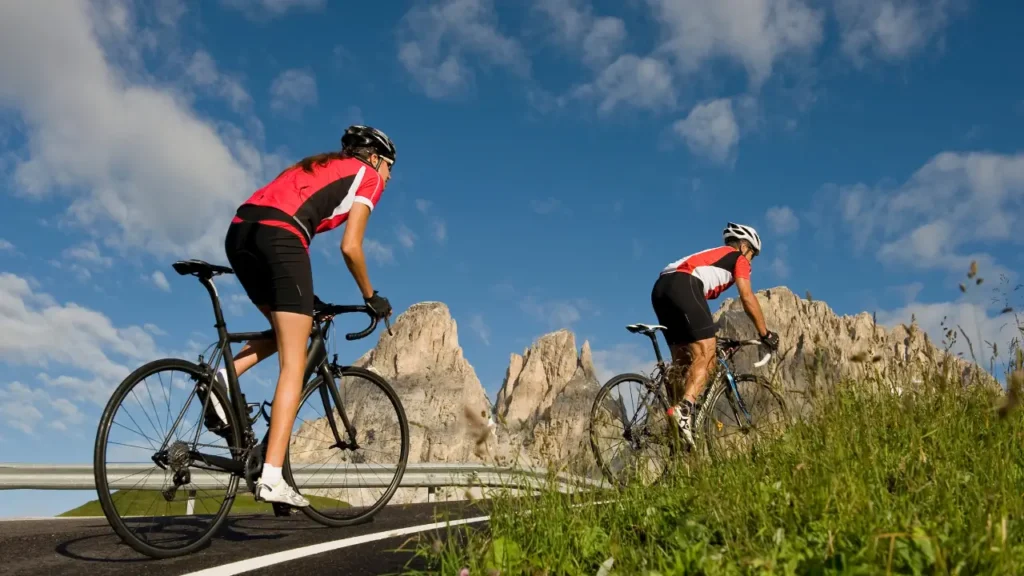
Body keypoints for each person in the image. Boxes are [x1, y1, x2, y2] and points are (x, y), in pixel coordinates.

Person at [201, 125, 397, 507]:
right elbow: (351, 246)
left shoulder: (317, 166)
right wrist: (371, 297)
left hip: (240, 234)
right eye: (390, 166)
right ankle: (272, 476)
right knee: (294, 364)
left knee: (288, 326)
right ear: (374, 157)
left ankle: (222, 379)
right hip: (280, 236)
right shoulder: (368, 176)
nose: (388, 176)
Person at [650, 222, 780, 447]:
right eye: (752, 255)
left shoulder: (713, 257)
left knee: (683, 362)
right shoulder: (737, 258)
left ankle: (674, 422)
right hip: (684, 283)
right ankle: (684, 410)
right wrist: (765, 334)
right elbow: (747, 296)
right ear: (743, 246)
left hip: (660, 288)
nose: (751, 262)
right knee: (708, 356)